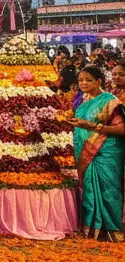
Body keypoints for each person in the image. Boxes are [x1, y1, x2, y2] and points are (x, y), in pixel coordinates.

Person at [70, 65, 125, 241]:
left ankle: (112, 229)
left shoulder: (110, 101)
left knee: (108, 189)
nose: (83, 83)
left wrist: (92, 126)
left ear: (98, 81)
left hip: (106, 152)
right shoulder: (83, 102)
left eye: (88, 80)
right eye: (80, 80)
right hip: (87, 153)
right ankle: (92, 228)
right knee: (89, 189)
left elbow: (122, 129)